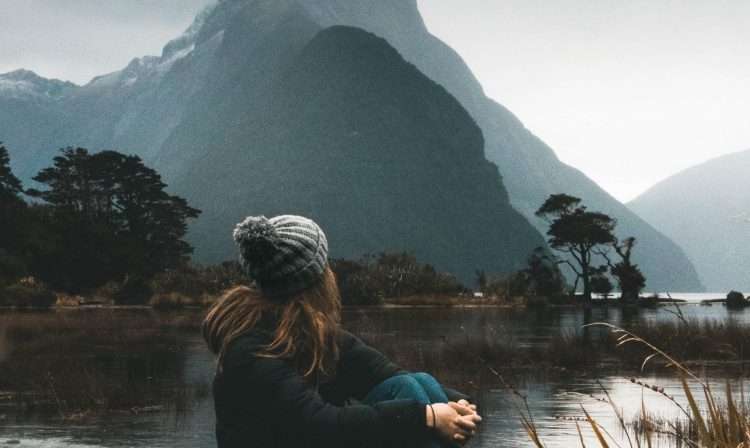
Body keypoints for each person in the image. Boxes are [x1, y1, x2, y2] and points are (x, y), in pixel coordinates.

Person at [202, 214, 482, 448]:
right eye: (326, 265)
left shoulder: (316, 336)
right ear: (312, 281)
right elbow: (319, 425)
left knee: (414, 382)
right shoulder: (250, 352)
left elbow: (387, 374)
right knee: (414, 402)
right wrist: (428, 417)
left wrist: (457, 404)